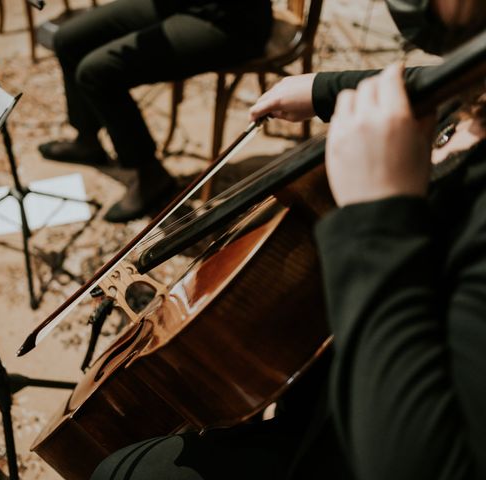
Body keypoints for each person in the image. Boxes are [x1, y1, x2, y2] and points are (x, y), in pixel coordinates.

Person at [90, 0, 486, 478]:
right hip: (340, 377)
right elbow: (452, 82)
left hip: (360, 433)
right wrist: (327, 89)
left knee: (121, 472)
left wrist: (376, 216)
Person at [41, 0, 273, 223]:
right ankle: (87, 139)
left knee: (96, 72)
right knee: (68, 39)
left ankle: (149, 174)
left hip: (230, 20)